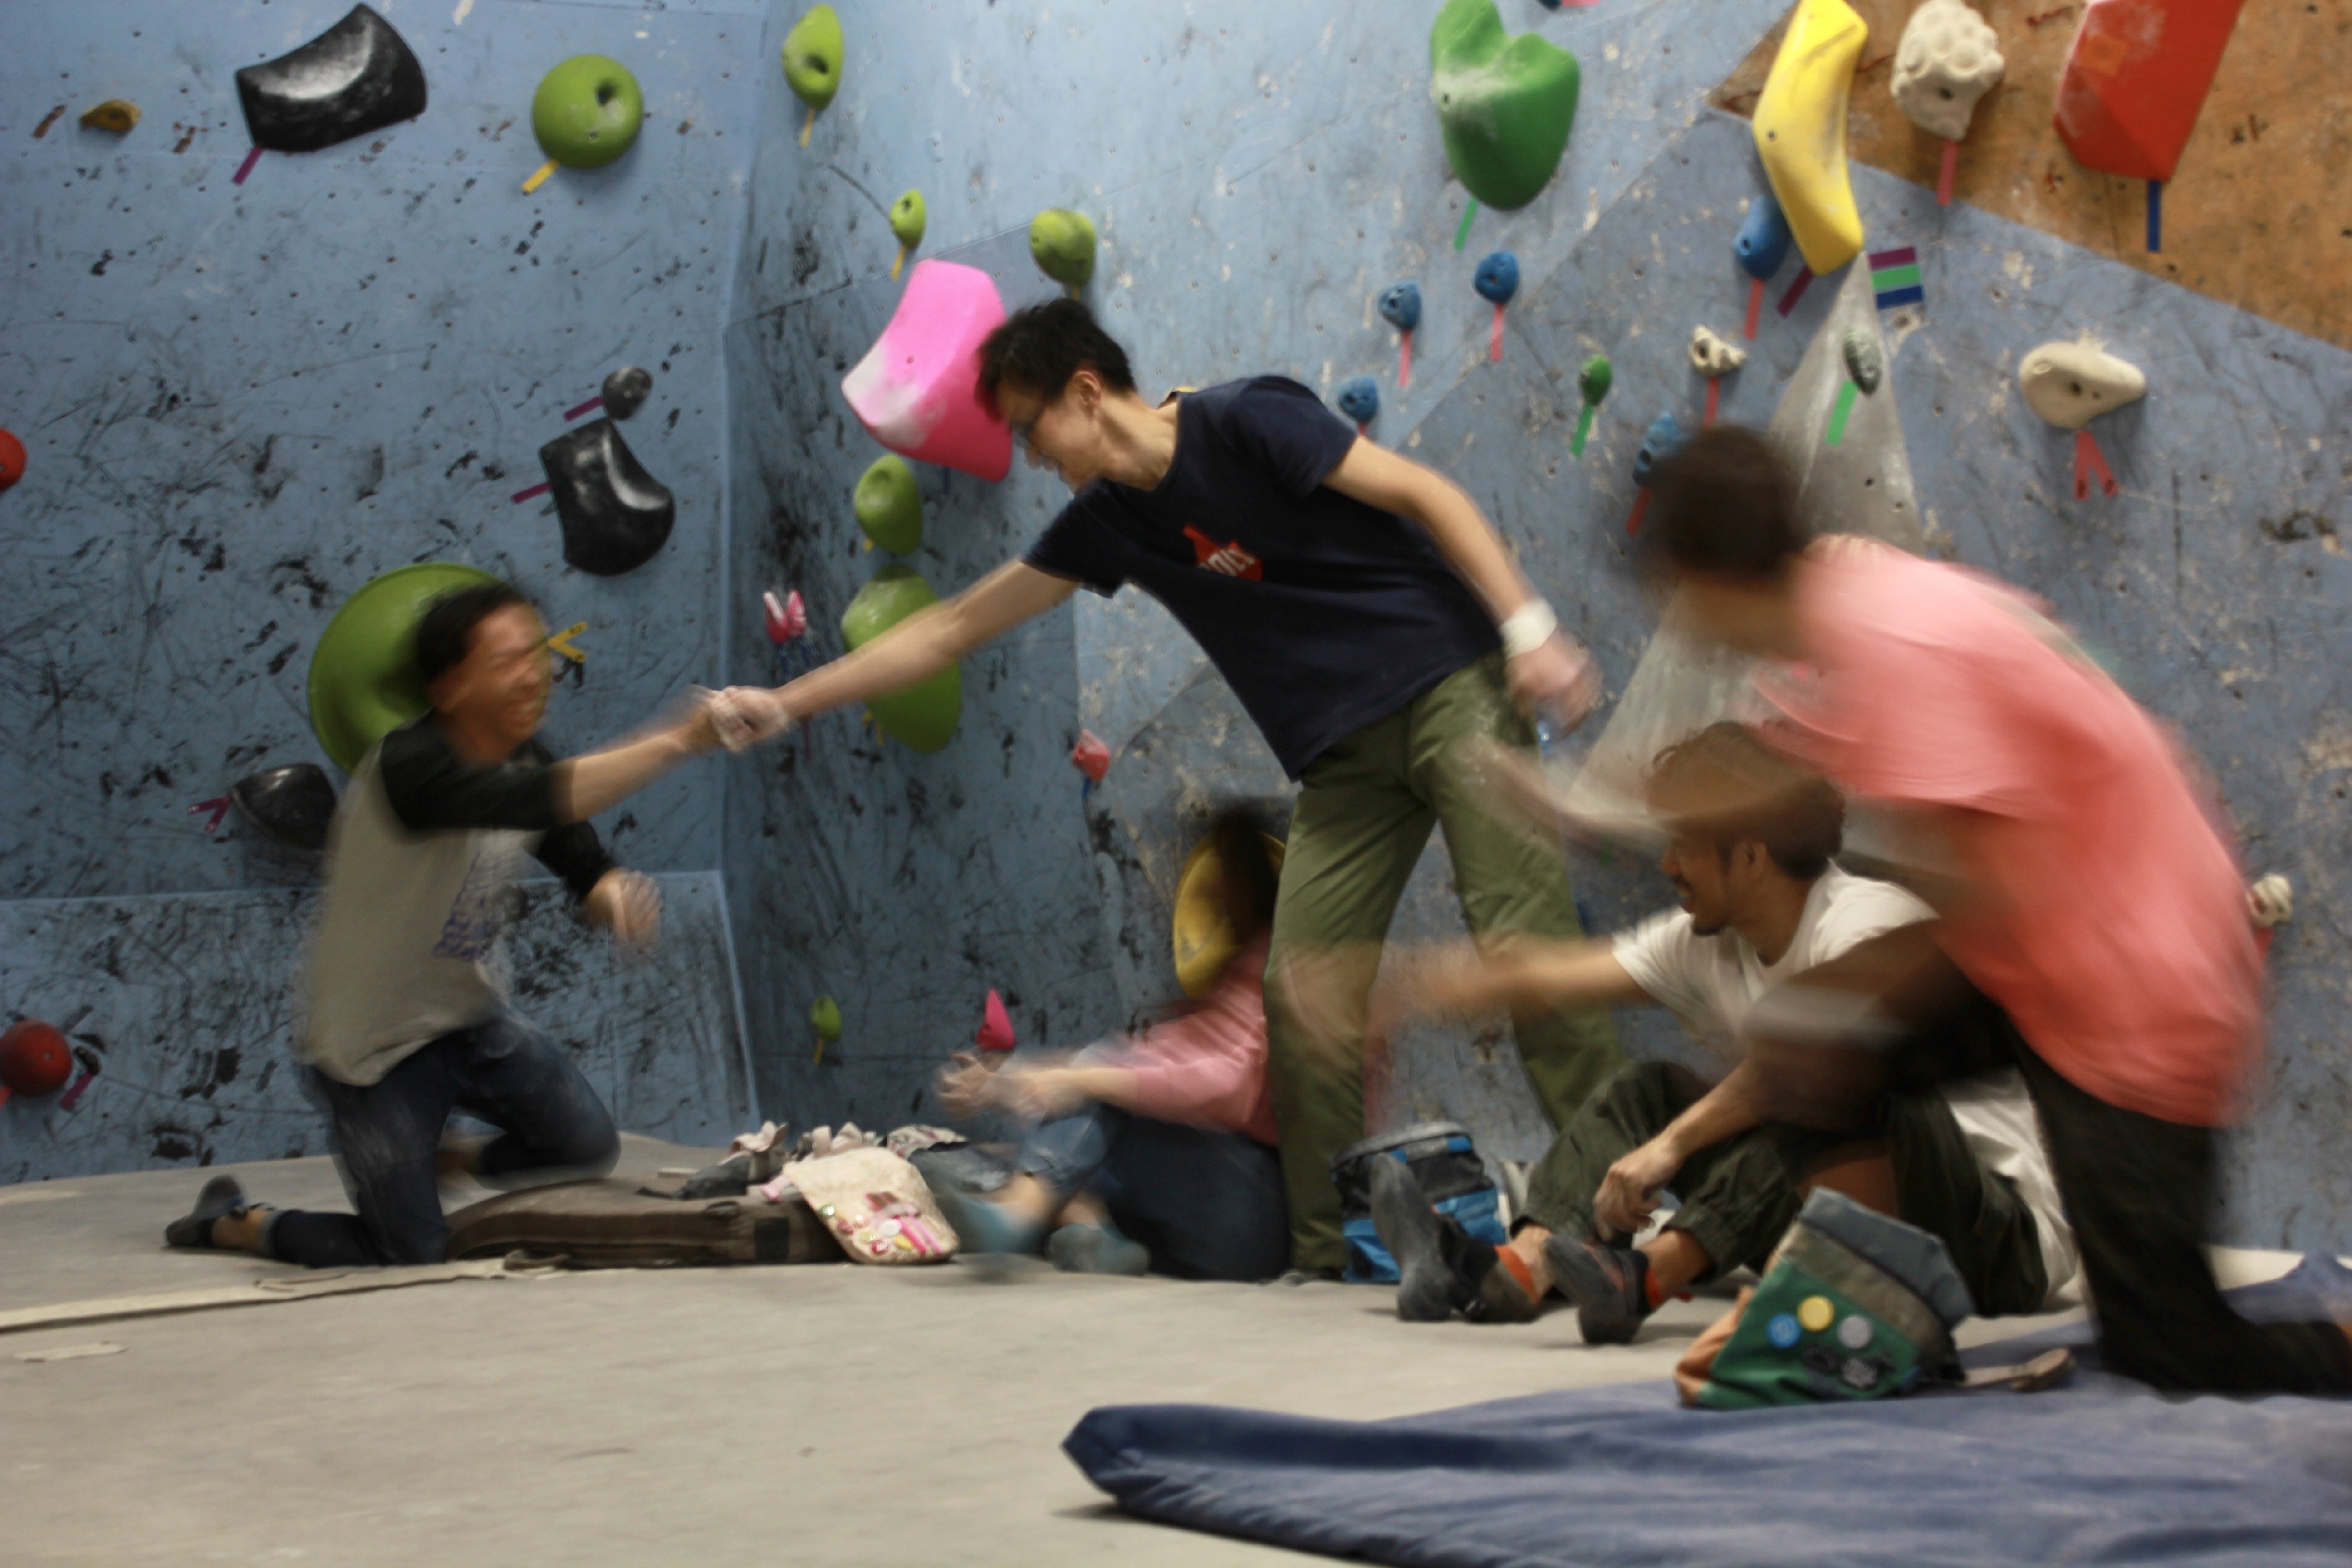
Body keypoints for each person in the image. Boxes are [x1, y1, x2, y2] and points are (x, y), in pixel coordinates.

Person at [718, 298, 1620, 1274]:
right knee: (1300, 993)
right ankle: (1327, 1256)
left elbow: (1427, 494)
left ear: (1086, 391)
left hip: (1447, 684)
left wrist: (1529, 629)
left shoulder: (1245, 420)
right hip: (1343, 756)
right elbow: (951, 627)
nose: (1030, 454)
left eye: (1030, 427)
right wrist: (787, 701)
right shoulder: (1110, 523)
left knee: (1524, 946)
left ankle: (1623, 1207)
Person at [1632, 425, 2352, 1394]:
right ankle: (1857, 1310)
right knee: (1808, 1032)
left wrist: (1833, 1010)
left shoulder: (1891, 639)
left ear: (1706, 576)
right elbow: (1805, 775)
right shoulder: (1841, 596)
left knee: (2171, 1346)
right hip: (2048, 952)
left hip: (2138, 981)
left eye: (1674, 587)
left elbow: (1981, 896)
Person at [1372, 721, 2075, 1341]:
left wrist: (1671, 1147)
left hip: (1993, 1245)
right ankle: (1516, 1271)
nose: (1668, 865)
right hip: (1846, 1216)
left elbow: (1804, 1072)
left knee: (1822, 1072)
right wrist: (1412, 986)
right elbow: (1561, 976)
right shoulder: (1706, 941)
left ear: (1752, 855)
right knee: (1646, 1091)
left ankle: (1647, 1276)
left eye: (1684, 843)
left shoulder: (1868, 926)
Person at [165, 583, 726, 1267]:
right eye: (508, 660)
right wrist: (681, 739)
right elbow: (537, 800)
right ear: (450, 687)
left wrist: (608, 890)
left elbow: (576, 850)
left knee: (583, 1147)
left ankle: (449, 1155)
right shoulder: (409, 767)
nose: (536, 675)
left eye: (538, 653)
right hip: (375, 1050)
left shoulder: (523, 756)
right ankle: (237, 1223)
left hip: (468, 1018)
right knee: (409, 1253)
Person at [929, 809, 1290, 1282]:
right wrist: (1008, 1080)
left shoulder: (1273, 964)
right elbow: (1146, 1061)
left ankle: (1017, 1214)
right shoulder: (1229, 980)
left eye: (1225, 871)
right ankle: (1098, 1237)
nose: (1212, 890)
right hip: (1212, 1234)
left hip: (1256, 1215)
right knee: (1074, 1133)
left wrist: (1083, 1079)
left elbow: (1228, 1086)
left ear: (1250, 878)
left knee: (1098, 1084)